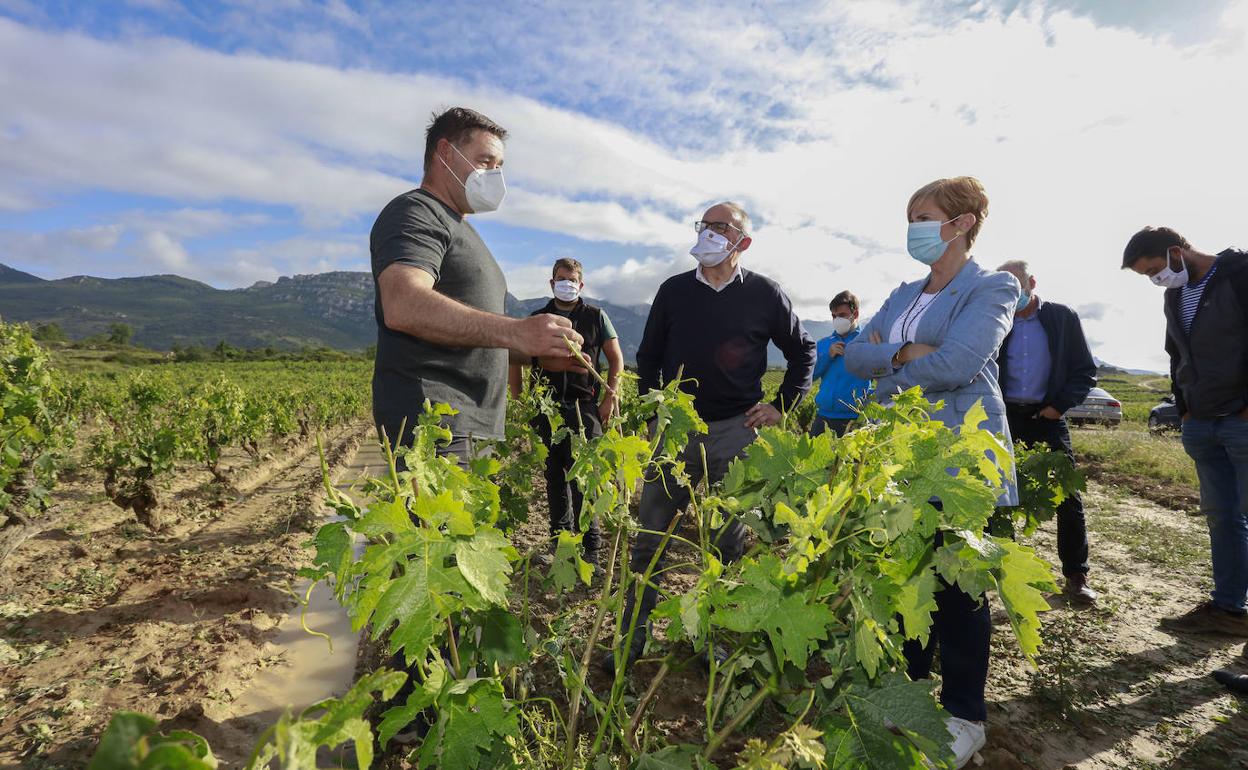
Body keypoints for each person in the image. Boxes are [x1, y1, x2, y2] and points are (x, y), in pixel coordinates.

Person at [845, 176, 1019, 769]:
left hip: (962, 460)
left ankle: (966, 715)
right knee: (908, 583)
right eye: (910, 216)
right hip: (900, 456)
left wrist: (889, 363)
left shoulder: (994, 287)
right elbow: (855, 355)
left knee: (960, 592)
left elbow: (960, 363)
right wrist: (901, 355)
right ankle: (914, 697)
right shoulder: (903, 292)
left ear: (964, 222)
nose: (914, 227)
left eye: (924, 215)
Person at [607, 201, 816, 674]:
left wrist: (782, 406)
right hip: (676, 429)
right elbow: (650, 354)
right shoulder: (673, 291)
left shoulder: (765, 294)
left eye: (720, 227)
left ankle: (715, 642)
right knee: (649, 538)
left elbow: (803, 349)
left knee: (727, 542)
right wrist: (660, 411)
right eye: (704, 225)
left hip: (737, 432)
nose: (708, 233)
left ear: (742, 241)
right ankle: (631, 640)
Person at [370, 106, 584, 467]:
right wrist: (516, 331)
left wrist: (534, 353)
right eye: (486, 161)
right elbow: (403, 303)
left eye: (500, 166)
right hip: (435, 422)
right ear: (445, 153)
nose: (495, 176)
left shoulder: (461, 228)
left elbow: (472, 334)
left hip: (469, 424)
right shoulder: (415, 211)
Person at [1122, 227, 1248, 642]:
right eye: (1147, 275)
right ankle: (1229, 609)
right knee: (1222, 518)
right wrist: (1185, 408)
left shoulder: (1239, 274)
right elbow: (1176, 355)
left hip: (1241, 420)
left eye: (1156, 269)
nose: (1155, 279)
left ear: (1177, 252)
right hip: (1201, 422)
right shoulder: (1174, 295)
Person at [508, 257, 624, 570]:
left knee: (585, 480)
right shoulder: (537, 318)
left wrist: (608, 399)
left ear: (581, 284)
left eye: (572, 280)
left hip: (584, 408)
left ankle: (591, 550)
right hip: (546, 409)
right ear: (551, 283)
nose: (566, 284)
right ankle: (561, 547)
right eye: (561, 278)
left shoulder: (597, 317)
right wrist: (521, 401)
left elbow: (616, 360)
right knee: (555, 478)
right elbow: (515, 359)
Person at [995, 260, 1099, 604]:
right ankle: (1003, 570)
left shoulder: (1062, 318)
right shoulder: (997, 321)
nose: (1013, 292)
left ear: (1032, 282)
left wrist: (1059, 406)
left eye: (1017, 284)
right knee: (1000, 492)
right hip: (1006, 417)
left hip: (1049, 418)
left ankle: (1076, 575)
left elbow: (1084, 371)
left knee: (1067, 495)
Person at [809, 290, 872, 437]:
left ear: (855, 314)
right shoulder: (824, 344)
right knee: (815, 460)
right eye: (834, 316)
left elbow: (883, 373)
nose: (837, 319)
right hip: (823, 417)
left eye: (842, 315)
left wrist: (869, 399)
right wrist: (827, 356)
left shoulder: (867, 342)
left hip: (854, 419)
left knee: (851, 461)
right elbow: (810, 376)